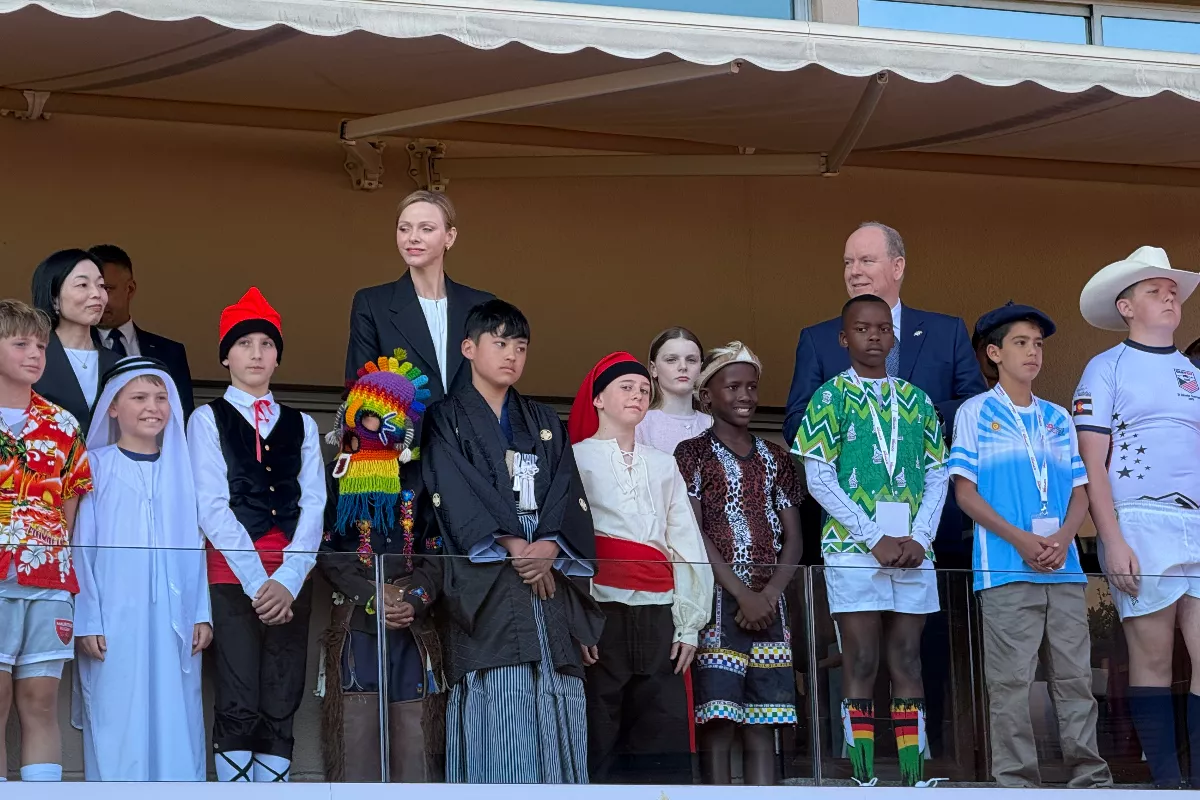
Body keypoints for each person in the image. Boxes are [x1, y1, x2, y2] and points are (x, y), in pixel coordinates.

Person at [422, 299, 603, 784]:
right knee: (499, 691)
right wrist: (511, 543)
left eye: (520, 347)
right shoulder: (445, 418)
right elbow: (454, 487)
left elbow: (566, 488)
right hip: (487, 580)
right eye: (500, 343)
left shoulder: (542, 418)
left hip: (547, 576)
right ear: (469, 348)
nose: (511, 356)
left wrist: (550, 545)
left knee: (557, 683)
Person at [949, 303, 1111, 789]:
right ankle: (1017, 782)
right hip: (1004, 567)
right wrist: (1021, 539)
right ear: (993, 353)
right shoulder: (975, 412)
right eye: (1020, 343)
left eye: (1038, 344)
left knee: (1076, 679)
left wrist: (1063, 539)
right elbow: (965, 493)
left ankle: (1090, 777)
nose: (1033, 352)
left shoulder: (1058, 417)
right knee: (1011, 683)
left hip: (1063, 567)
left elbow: (1080, 492)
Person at [794, 294, 949, 787]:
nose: (874, 336)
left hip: (913, 550)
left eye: (883, 328)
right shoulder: (830, 397)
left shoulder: (917, 400)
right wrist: (872, 535)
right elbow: (818, 478)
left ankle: (912, 775)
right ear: (844, 338)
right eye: (862, 329)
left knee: (907, 659)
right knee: (861, 658)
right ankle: (861, 775)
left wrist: (921, 536)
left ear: (894, 336)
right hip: (853, 549)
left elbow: (938, 473)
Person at [1073, 246, 1200, 789]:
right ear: (1125, 307)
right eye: (1155, 290)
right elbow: (1091, 465)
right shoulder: (1105, 368)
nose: (1169, 298)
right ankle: (1168, 783)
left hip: (1196, 520)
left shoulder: (1191, 371)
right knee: (1153, 658)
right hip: (1140, 521)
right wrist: (1112, 537)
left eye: (1173, 291)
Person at [187, 287, 325, 782]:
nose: (256, 353)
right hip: (231, 574)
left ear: (277, 357)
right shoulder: (206, 419)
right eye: (244, 343)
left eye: (267, 344)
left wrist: (288, 577)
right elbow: (210, 506)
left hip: (292, 575)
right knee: (238, 691)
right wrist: (257, 581)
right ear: (226, 355)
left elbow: (314, 504)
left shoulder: (303, 424)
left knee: (282, 693)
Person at [568, 351, 714, 784]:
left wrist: (689, 625)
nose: (637, 395)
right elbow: (565, 546)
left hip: (660, 612)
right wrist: (577, 620)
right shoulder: (573, 458)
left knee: (661, 727)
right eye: (626, 387)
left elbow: (685, 544)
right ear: (598, 399)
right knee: (599, 728)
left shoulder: (663, 463)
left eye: (644, 389)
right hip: (601, 611)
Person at [72, 356, 211, 781]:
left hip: (175, 617)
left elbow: (196, 546)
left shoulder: (182, 471)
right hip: (114, 618)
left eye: (161, 397)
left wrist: (201, 612)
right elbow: (81, 548)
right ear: (113, 407)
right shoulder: (96, 466)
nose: (153, 407)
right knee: (118, 715)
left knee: (176, 716)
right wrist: (87, 619)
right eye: (139, 397)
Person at [674, 342, 802, 786]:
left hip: (770, 603)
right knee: (719, 717)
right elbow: (694, 533)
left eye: (751, 386)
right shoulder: (691, 454)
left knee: (763, 719)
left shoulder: (776, 457)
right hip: (716, 600)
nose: (745, 395)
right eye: (732, 387)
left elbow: (794, 538)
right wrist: (742, 594)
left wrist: (767, 595)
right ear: (707, 396)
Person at [318, 349, 444, 783]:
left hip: (413, 625)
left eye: (382, 416)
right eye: (365, 414)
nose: (370, 424)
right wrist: (372, 593)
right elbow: (327, 548)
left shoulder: (420, 477)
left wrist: (414, 597)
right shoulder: (336, 475)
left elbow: (436, 548)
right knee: (357, 743)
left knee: (415, 744)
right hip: (357, 621)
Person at [0, 298, 93, 783]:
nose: (35, 354)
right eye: (21, 344)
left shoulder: (63, 423)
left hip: (48, 577)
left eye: (41, 345)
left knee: (40, 701)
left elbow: (71, 504)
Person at [346, 190, 493, 398]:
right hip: (402, 420)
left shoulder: (483, 305)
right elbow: (359, 388)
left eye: (426, 229)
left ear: (450, 237)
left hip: (471, 420)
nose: (413, 238)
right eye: (404, 229)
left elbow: (495, 383)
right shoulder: (372, 304)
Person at [90, 244, 196, 419]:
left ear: (130, 289)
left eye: (106, 288)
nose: (97, 298)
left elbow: (183, 417)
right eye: (89, 288)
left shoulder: (170, 352)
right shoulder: (71, 349)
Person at [30, 249, 119, 432]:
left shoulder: (117, 363)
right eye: (82, 285)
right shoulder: (29, 357)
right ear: (54, 298)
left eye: (101, 285)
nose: (97, 293)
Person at [635, 327, 712, 454]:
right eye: (671, 360)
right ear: (654, 369)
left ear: (701, 368)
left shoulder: (715, 426)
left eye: (691, 360)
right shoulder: (640, 426)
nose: (683, 367)